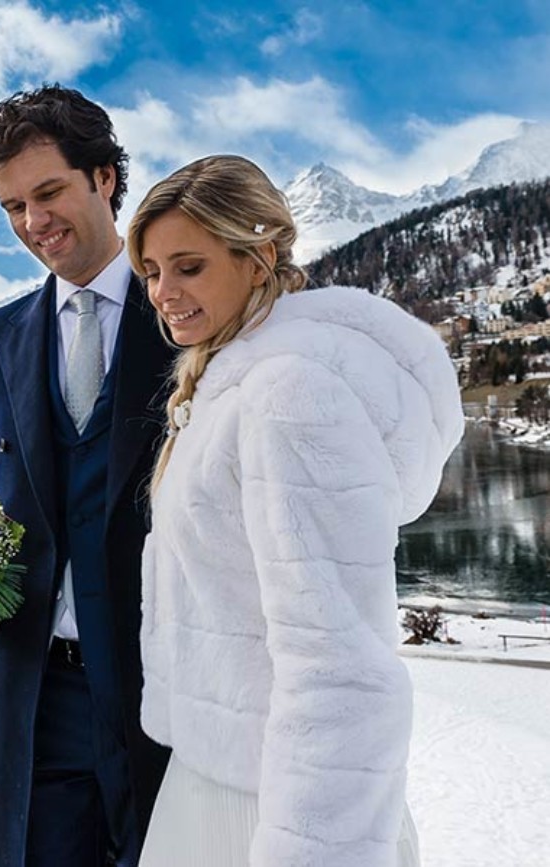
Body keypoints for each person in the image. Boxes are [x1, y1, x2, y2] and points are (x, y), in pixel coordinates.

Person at [126, 154, 464, 866]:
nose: (164, 292)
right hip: (216, 780)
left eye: (188, 265)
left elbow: (341, 664)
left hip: (280, 813)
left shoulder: (288, 395)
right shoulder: (227, 380)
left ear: (259, 259)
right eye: (152, 272)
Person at [0, 84, 173, 867]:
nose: (33, 222)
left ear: (104, 177)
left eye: (48, 192)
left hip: (166, 688)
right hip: (34, 697)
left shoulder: (183, 314)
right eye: (13, 206)